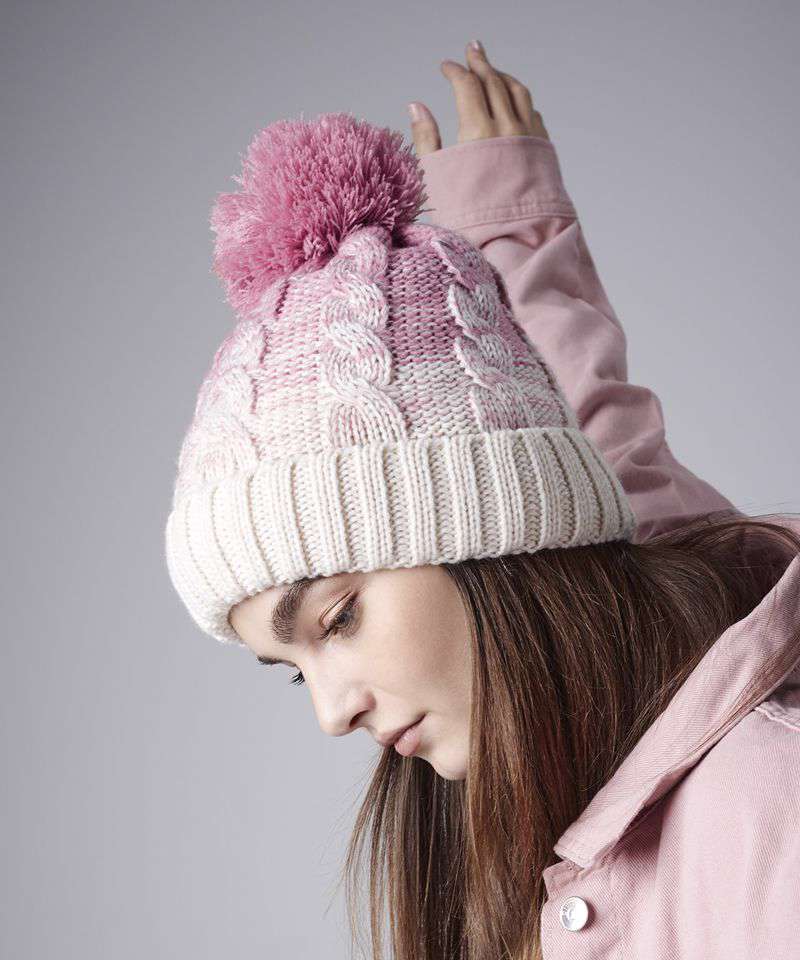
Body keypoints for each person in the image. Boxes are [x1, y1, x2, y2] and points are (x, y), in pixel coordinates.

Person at [164, 40, 800, 960]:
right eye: (295, 669)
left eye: (339, 618)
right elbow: (600, 443)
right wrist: (508, 234)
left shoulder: (774, 809)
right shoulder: (543, 777)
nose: (332, 715)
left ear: (496, 536)